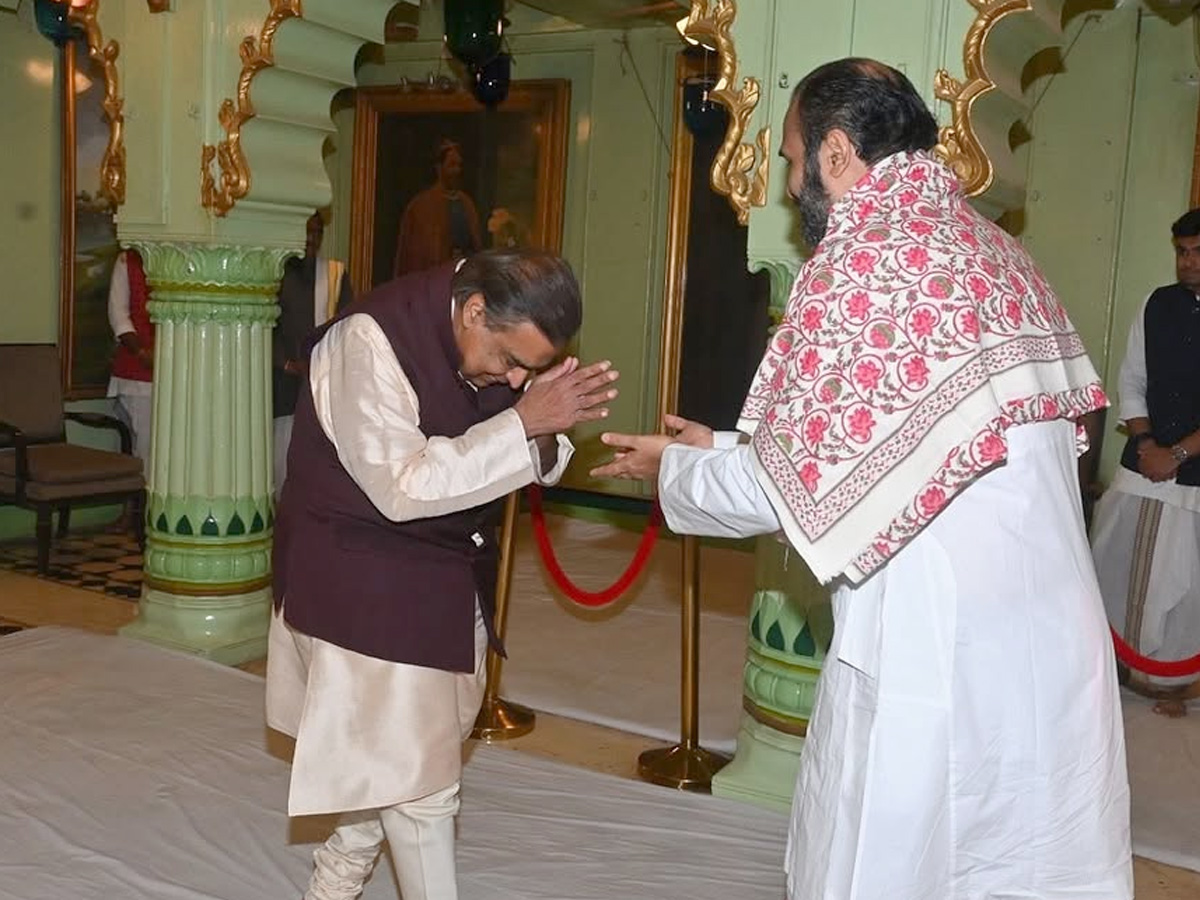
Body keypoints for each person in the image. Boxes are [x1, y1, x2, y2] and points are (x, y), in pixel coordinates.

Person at [592, 59, 1131, 900]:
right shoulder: (996, 252)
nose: (789, 184)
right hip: (1048, 647)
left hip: (933, 652)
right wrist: (727, 443)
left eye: (792, 158)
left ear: (836, 152)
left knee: (885, 867)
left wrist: (680, 471)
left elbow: (788, 489)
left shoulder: (866, 264)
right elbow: (897, 439)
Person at [266, 248, 619, 900]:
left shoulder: (493, 345)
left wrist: (543, 426)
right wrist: (522, 421)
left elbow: (530, 451)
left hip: (445, 574)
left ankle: (331, 887)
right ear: (475, 310)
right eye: (510, 360)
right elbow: (402, 486)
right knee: (421, 789)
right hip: (360, 577)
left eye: (532, 369)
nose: (516, 378)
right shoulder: (368, 340)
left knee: (397, 758)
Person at [1091, 208, 1200, 718]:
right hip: (1144, 460)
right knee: (1113, 561)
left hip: (1193, 473)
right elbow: (1131, 380)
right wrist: (1148, 443)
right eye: (1182, 252)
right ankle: (1116, 671)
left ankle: (1174, 685)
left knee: (1186, 584)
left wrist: (1177, 454)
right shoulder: (1157, 304)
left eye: (1197, 252)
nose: (1188, 262)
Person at [272, 211, 353, 501]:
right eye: (306, 231)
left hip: (322, 387)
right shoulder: (276, 274)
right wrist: (286, 363)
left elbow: (347, 325)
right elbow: (266, 328)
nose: (311, 239)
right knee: (281, 470)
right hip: (283, 387)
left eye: (317, 232)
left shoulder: (334, 274)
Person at [393, 139, 482, 278]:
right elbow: (411, 259)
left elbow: (475, 248)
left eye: (459, 165)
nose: (457, 170)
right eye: (452, 165)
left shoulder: (467, 203)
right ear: (439, 168)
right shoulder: (420, 206)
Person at [106, 246, 154, 467]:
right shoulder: (128, 261)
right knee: (146, 449)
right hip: (138, 376)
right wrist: (141, 352)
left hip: (180, 371)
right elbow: (118, 315)